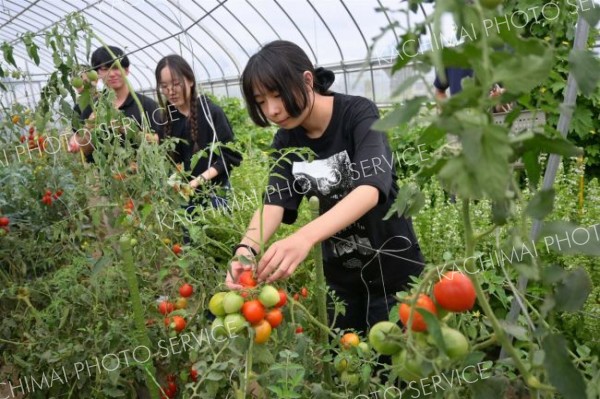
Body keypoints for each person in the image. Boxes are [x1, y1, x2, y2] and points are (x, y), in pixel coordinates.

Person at [226, 40, 425, 334]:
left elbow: (370, 189)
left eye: (278, 94)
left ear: (307, 80)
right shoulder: (286, 140)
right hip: (342, 283)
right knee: (352, 365)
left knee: (401, 366)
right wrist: (245, 251)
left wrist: (304, 237)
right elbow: (274, 203)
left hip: (393, 272)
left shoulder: (358, 114)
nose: (273, 110)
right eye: (261, 101)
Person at [155, 55, 242, 238]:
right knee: (193, 245)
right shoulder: (167, 120)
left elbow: (230, 155)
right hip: (186, 198)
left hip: (215, 193)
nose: (171, 91)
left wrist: (197, 181)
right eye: (164, 86)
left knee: (221, 240)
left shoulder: (211, 113)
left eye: (176, 83)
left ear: (190, 80)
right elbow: (170, 161)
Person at [69, 46, 162, 161]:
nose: (112, 74)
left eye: (116, 67)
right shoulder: (91, 107)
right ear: (97, 74)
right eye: (104, 69)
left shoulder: (146, 104)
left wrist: (129, 130)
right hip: (103, 177)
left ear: (127, 70)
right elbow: (84, 150)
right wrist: (89, 128)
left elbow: (158, 141)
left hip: (140, 175)